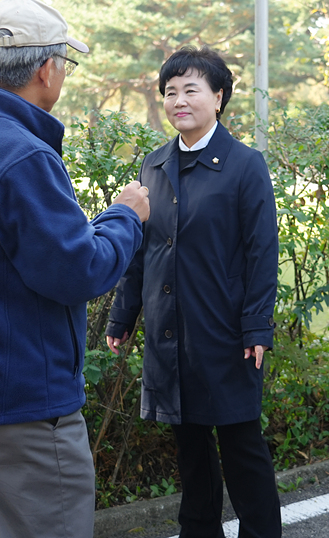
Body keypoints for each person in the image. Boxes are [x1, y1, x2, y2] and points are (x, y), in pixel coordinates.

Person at [0, 0, 151, 538]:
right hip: (22, 407)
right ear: (45, 69)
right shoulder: (21, 154)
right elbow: (79, 270)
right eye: (64, 65)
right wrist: (126, 216)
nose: (62, 76)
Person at [105, 47, 282, 538]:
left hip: (225, 333)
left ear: (218, 97)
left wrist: (256, 326)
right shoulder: (154, 166)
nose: (178, 100)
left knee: (241, 445)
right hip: (169, 331)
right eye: (170, 92)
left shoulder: (245, 165)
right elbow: (140, 248)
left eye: (191, 89)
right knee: (189, 448)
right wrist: (124, 316)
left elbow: (260, 253)